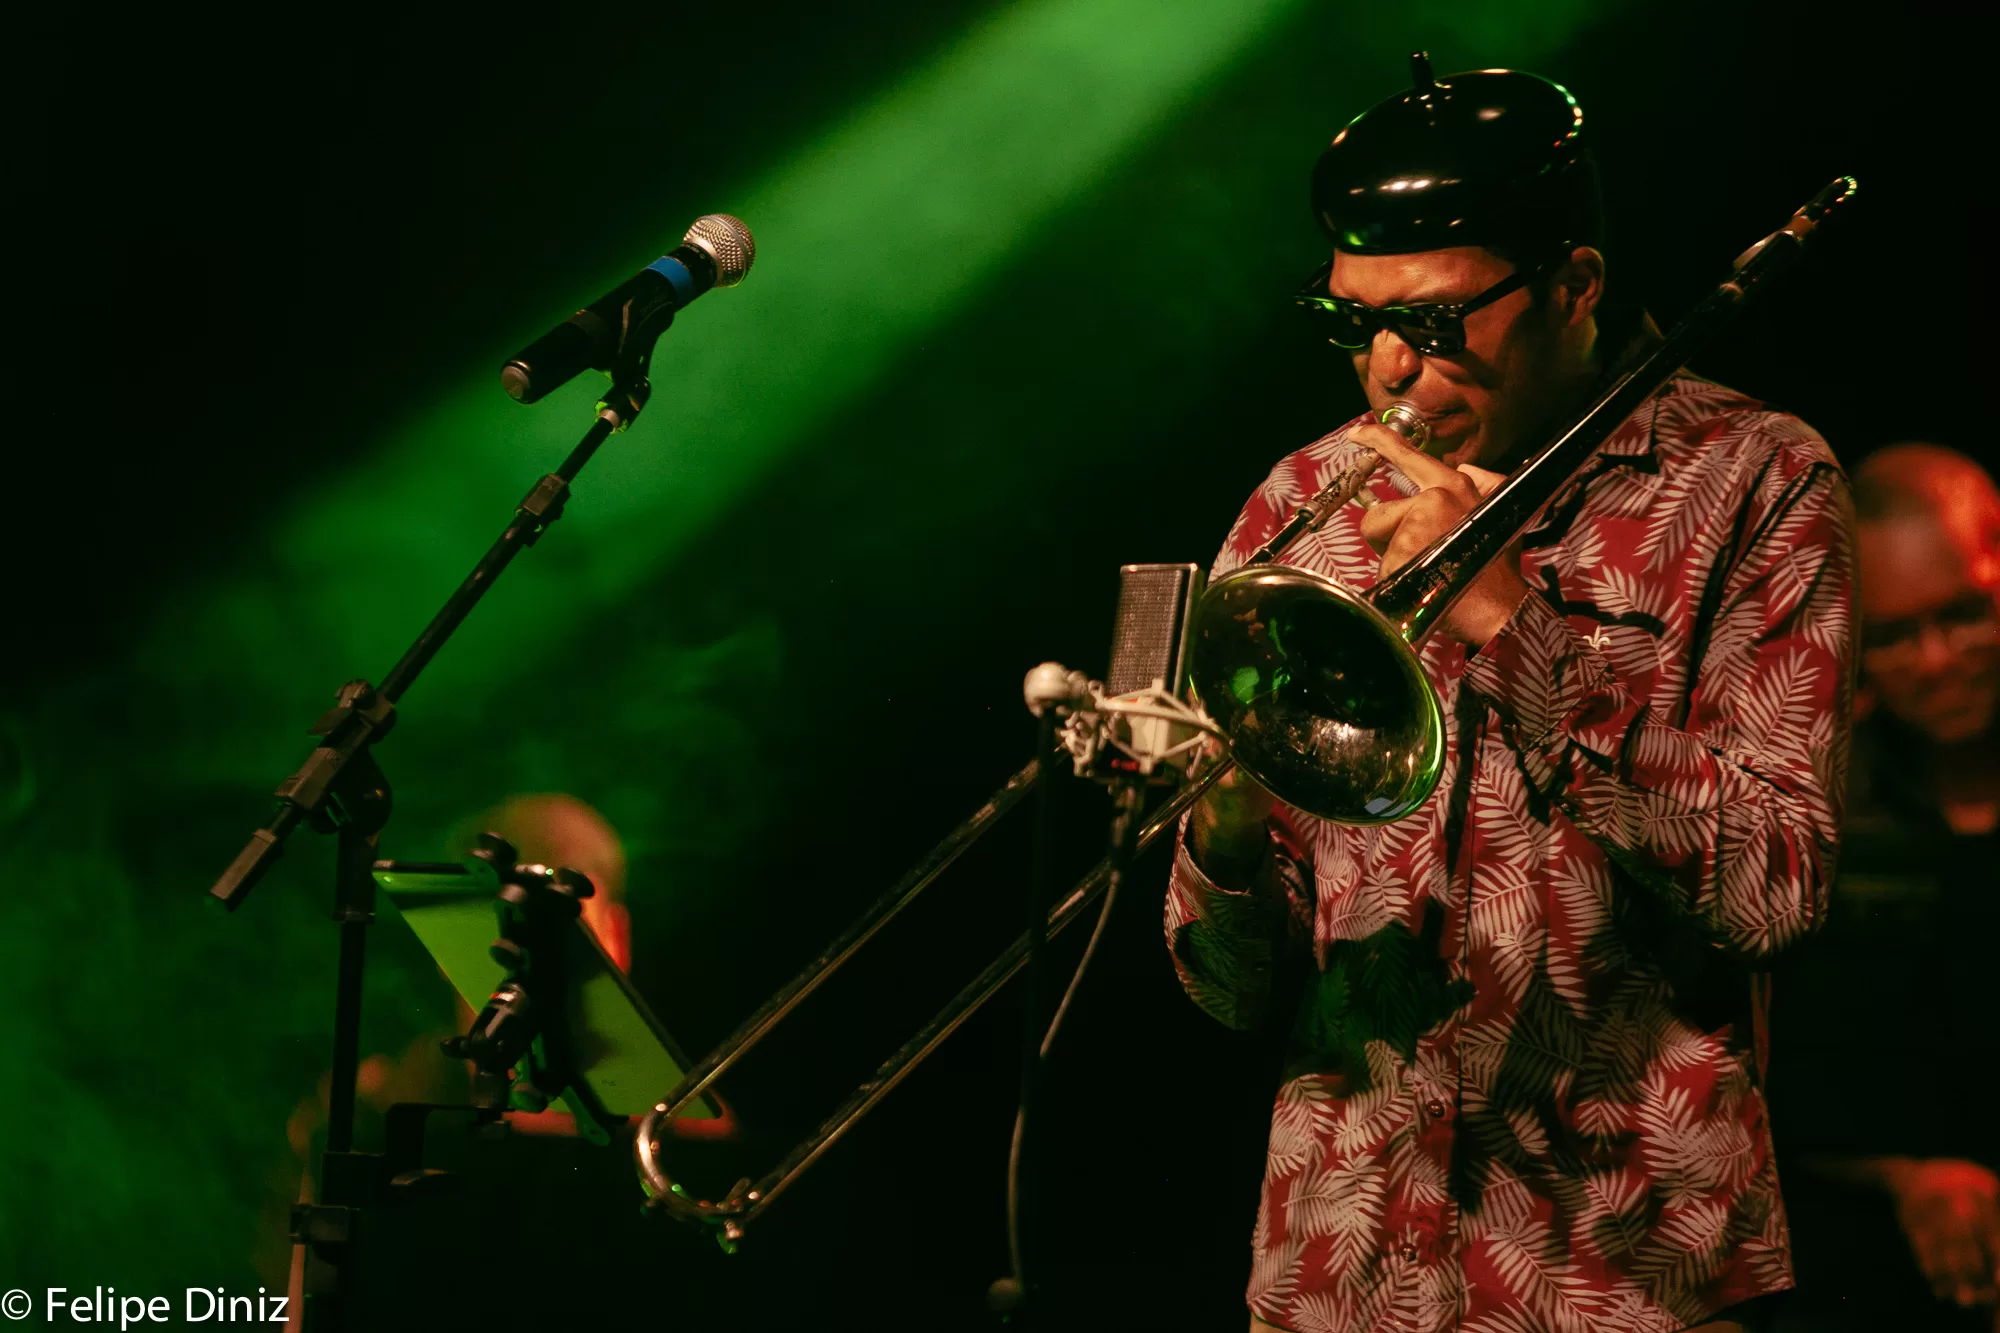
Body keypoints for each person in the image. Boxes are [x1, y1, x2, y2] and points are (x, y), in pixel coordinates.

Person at [1163, 54, 1853, 1333]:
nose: (1386, 365)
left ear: (1573, 285)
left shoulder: (1753, 478)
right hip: (1337, 1275)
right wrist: (1222, 830)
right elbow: (1229, 991)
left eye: (1433, 324)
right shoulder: (1296, 504)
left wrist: (1509, 625)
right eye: (1352, 321)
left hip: (1626, 1272)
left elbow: (1774, 884)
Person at [1766, 443, 2000, 1331]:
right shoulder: (1820, 809)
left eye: (1964, 614)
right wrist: (1906, 1176)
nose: (1936, 660)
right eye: (1896, 636)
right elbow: (1772, 1074)